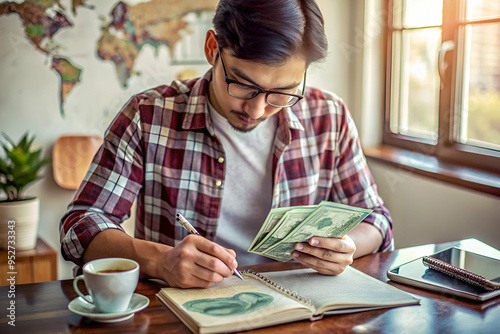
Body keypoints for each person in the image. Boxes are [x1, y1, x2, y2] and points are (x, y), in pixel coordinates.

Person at [60, 0, 393, 289]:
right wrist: (160, 261)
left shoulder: (328, 116)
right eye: (244, 85)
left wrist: (348, 245)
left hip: (298, 306)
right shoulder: (149, 116)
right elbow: (81, 225)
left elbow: (376, 219)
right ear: (211, 49)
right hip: (183, 310)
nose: (257, 110)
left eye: (283, 93)